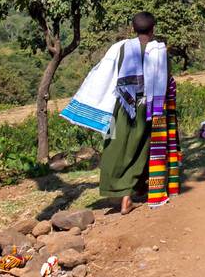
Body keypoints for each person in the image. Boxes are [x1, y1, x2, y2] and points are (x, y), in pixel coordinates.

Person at [62, 11, 180, 215]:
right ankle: (132, 192)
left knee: (115, 145)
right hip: (150, 108)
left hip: (122, 106)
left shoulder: (121, 48)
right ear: (153, 29)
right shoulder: (160, 51)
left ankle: (126, 190)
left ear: (133, 29)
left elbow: (104, 72)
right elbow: (167, 78)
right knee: (142, 147)